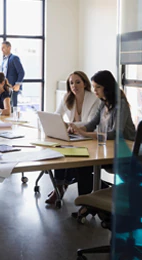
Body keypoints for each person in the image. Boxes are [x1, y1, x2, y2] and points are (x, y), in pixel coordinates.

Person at [64, 70, 136, 212]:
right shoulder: (103, 103)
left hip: (122, 152)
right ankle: (87, 203)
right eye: (93, 86)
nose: (94, 90)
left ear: (106, 87)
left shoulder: (120, 105)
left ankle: (93, 199)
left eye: (97, 87)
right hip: (106, 147)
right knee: (81, 165)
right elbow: (92, 124)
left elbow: (117, 133)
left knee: (82, 166)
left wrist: (87, 134)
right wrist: (79, 129)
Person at [45, 71, 102, 204]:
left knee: (72, 157)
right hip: (73, 136)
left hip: (88, 137)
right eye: (71, 83)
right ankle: (59, 186)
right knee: (59, 151)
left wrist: (70, 125)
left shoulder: (93, 99)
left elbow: (90, 123)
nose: (74, 86)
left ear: (84, 83)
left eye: (77, 82)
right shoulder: (67, 98)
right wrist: (60, 124)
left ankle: (61, 187)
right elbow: (56, 115)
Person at [1, 41, 24, 107]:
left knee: (13, 107)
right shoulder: (4, 60)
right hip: (5, 87)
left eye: (3, 48)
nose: (2, 50)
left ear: (9, 48)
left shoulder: (14, 58)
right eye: (1, 48)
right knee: (6, 106)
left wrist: (18, 84)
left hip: (13, 87)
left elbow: (21, 72)